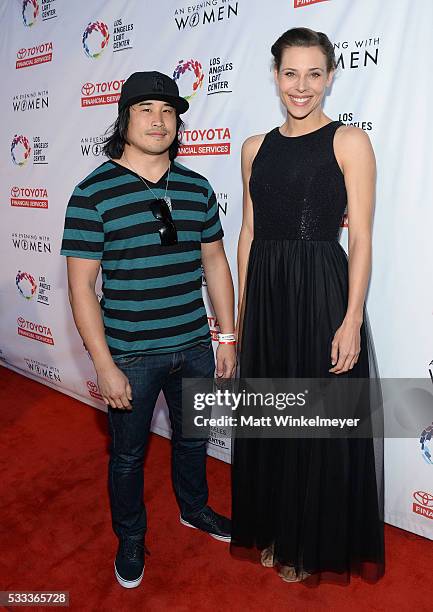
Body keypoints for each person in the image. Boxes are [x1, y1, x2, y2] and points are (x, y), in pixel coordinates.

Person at [60, 71, 236, 589]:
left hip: (195, 348)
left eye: (168, 110)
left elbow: (216, 263)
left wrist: (225, 337)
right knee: (129, 456)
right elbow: (81, 289)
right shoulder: (92, 192)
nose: (159, 120)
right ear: (125, 119)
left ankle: (194, 508)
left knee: (192, 439)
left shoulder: (196, 187)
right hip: (131, 355)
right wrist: (105, 365)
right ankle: (131, 534)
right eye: (145, 109)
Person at [231, 28, 384, 584]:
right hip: (268, 297)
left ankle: (309, 541)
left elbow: (362, 239)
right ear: (274, 76)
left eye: (314, 74)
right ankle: (275, 527)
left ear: (331, 77)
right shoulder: (254, 147)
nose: (302, 86)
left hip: (322, 291)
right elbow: (247, 234)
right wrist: (245, 315)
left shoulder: (349, 142)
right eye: (290, 73)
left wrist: (350, 320)